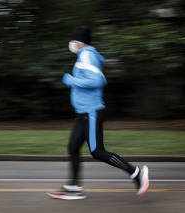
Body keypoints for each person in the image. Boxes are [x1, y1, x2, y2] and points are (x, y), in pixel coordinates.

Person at [61, 26, 149, 199]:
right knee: (72, 147)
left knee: (98, 152)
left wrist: (72, 80)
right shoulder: (83, 56)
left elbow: (98, 80)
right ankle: (74, 187)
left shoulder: (87, 55)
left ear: (79, 41)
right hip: (83, 113)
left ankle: (136, 173)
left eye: (72, 41)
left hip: (91, 112)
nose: (70, 44)